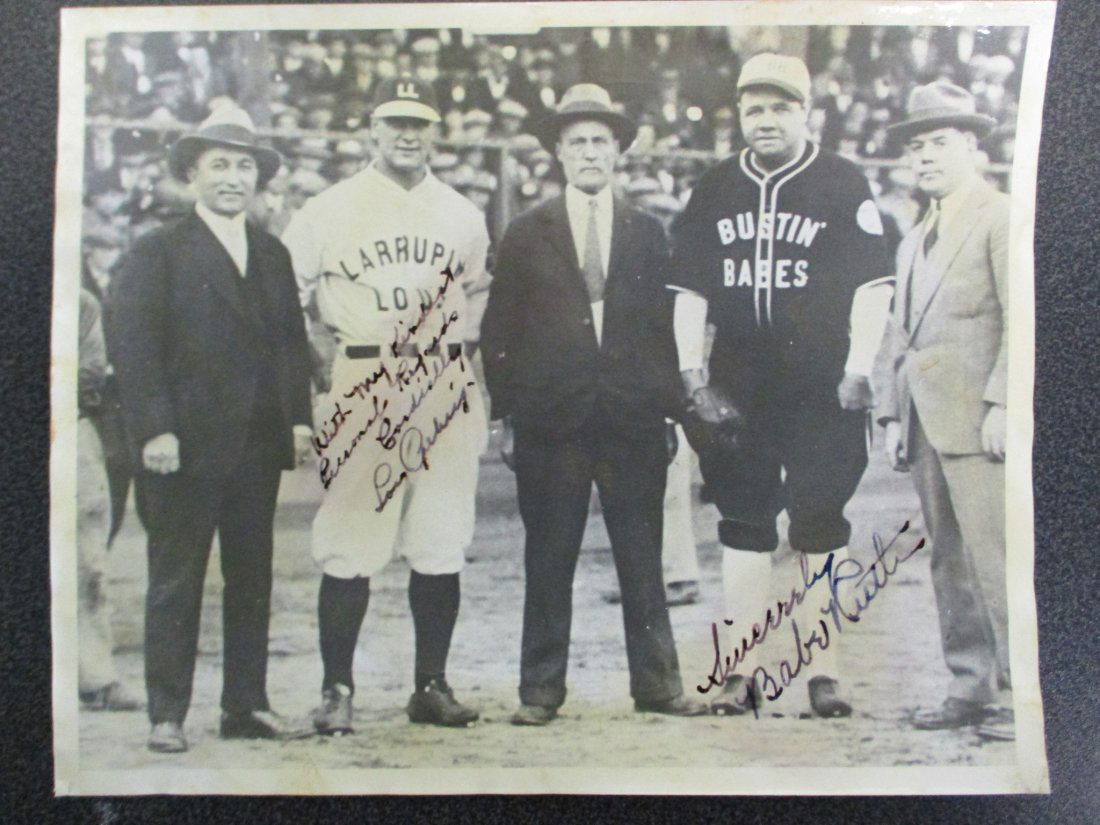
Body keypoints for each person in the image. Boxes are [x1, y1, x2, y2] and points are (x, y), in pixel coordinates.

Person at [667, 54, 893, 718]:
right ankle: (740, 670)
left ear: (805, 112)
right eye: (753, 109)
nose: (764, 120)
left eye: (779, 107)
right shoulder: (714, 186)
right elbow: (688, 290)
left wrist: (860, 368)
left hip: (821, 376)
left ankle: (823, 670)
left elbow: (873, 288)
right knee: (743, 520)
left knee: (821, 519)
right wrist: (690, 372)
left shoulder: (841, 182)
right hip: (741, 377)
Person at [481, 83, 706, 726]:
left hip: (632, 420)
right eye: (576, 141)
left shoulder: (647, 233)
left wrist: (667, 412)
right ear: (558, 152)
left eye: (599, 142)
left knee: (642, 557)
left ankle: (659, 685)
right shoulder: (527, 234)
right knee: (548, 557)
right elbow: (501, 332)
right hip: (553, 422)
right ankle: (540, 691)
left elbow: (663, 332)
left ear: (618, 153)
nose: (588, 152)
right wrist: (508, 415)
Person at [282, 75, 489, 734]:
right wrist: (317, 368)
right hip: (366, 378)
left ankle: (431, 684)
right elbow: (284, 298)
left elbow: (480, 298)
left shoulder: (462, 211)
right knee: (350, 541)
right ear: (371, 128)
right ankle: (337, 688)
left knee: (441, 539)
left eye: (419, 122)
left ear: (435, 131)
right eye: (395, 121)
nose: (408, 133)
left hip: (443, 380)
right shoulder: (327, 207)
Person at [107, 105, 314, 753]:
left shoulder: (273, 253)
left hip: (255, 445)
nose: (233, 177)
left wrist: (299, 418)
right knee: (177, 577)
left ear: (259, 178)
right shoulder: (156, 252)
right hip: (183, 449)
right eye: (219, 164)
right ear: (192, 174)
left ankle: (245, 704)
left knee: (252, 576)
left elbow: (290, 345)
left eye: (244, 165)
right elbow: (134, 350)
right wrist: (155, 431)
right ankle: (166, 711)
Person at [877, 81, 1012, 741]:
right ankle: (971, 685)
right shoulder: (914, 237)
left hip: (983, 425)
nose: (924, 156)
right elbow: (902, 339)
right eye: (915, 146)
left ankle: (1023, 695)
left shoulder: (1000, 216)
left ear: (972, 146)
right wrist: (890, 415)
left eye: (938, 142)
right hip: (928, 422)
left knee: (999, 557)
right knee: (949, 559)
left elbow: (1025, 320)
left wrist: (1003, 402)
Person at [77, 289, 142, 713]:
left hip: (70, 426)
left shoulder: (81, 304)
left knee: (87, 563)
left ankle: (95, 677)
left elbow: (89, 373)